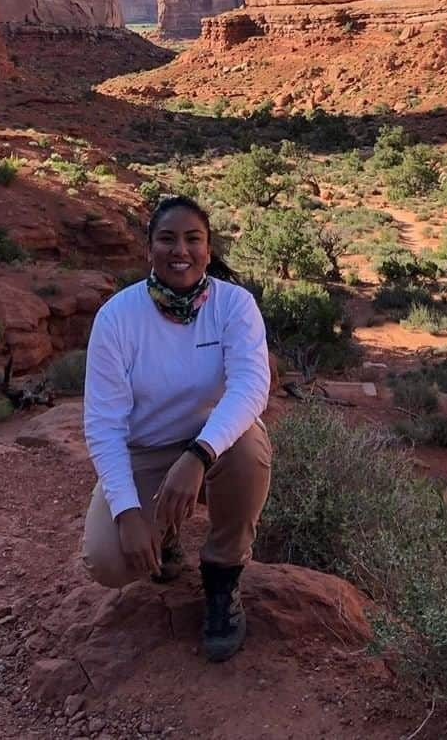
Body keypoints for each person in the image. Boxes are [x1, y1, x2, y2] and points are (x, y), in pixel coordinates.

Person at [81, 194, 272, 663]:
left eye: (193, 239)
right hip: (144, 449)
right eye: (167, 238)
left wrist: (199, 455)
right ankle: (163, 538)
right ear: (149, 248)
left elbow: (251, 387)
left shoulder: (234, 306)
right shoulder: (117, 318)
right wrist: (127, 512)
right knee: (107, 560)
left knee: (248, 450)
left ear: (208, 249)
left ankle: (223, 579)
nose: (179, 250)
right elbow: (103, 424)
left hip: (216, 446)